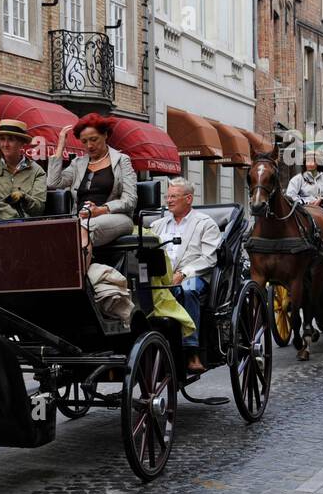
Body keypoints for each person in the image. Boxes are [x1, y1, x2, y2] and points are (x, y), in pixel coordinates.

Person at [149, 178, 221, 374]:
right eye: (167, 196)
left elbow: (208, 258)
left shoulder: (205, 224)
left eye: (174, 196)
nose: (169, 200)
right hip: (162, 277)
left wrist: (183, 273)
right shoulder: (157, 225)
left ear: (188, 198)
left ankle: (192, 351)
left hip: (193, 276)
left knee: (187, 290)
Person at [47, 112, 138, 247]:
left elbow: (130, 200)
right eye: (84, 141)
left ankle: (77, 268)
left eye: (94, 139)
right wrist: (60, 145)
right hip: (82, 218)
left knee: (85, 227)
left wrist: (101, 210)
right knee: (53, 233)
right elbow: (53, 183)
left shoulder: (122, 160)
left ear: (105, 135)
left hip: (117, 218)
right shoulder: (78, 164)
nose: (89, 145)